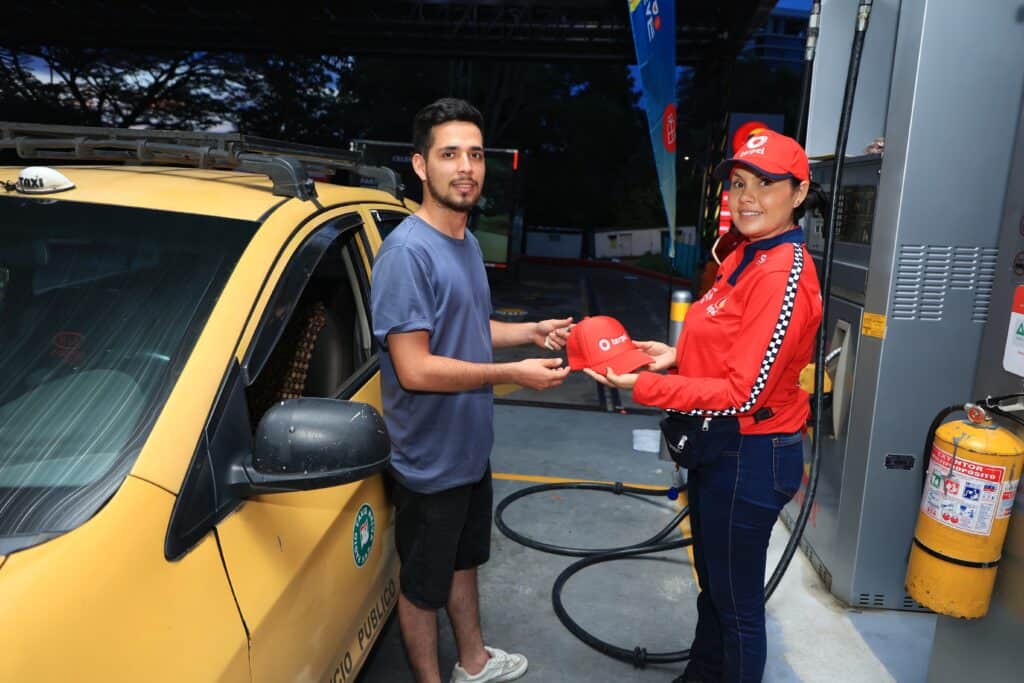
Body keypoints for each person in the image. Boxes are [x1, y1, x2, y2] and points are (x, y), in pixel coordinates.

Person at [585, 130, 826, 683]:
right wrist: (675, 354)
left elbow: (745, 392)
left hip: (751, 455)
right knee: (714, 588)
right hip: (722, 448)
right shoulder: (746, 254)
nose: (747, 197)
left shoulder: (781, 273)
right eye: (739, 184)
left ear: (798, 193)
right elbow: (731, 341)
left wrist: (643, 385)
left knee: (737, 607)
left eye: (766, 184)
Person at [370, 97, 572, 683]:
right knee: (421, 587)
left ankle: (474, 661)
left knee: (463, 561)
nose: (466, 167)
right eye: (450, 154)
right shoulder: (407, 254)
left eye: (476, 155)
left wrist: (528, 332)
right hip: (429, 461)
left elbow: (468, 328)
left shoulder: (466, 241)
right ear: (420, 165)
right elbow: (415, 367)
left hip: (467, 449)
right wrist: (513, 373)